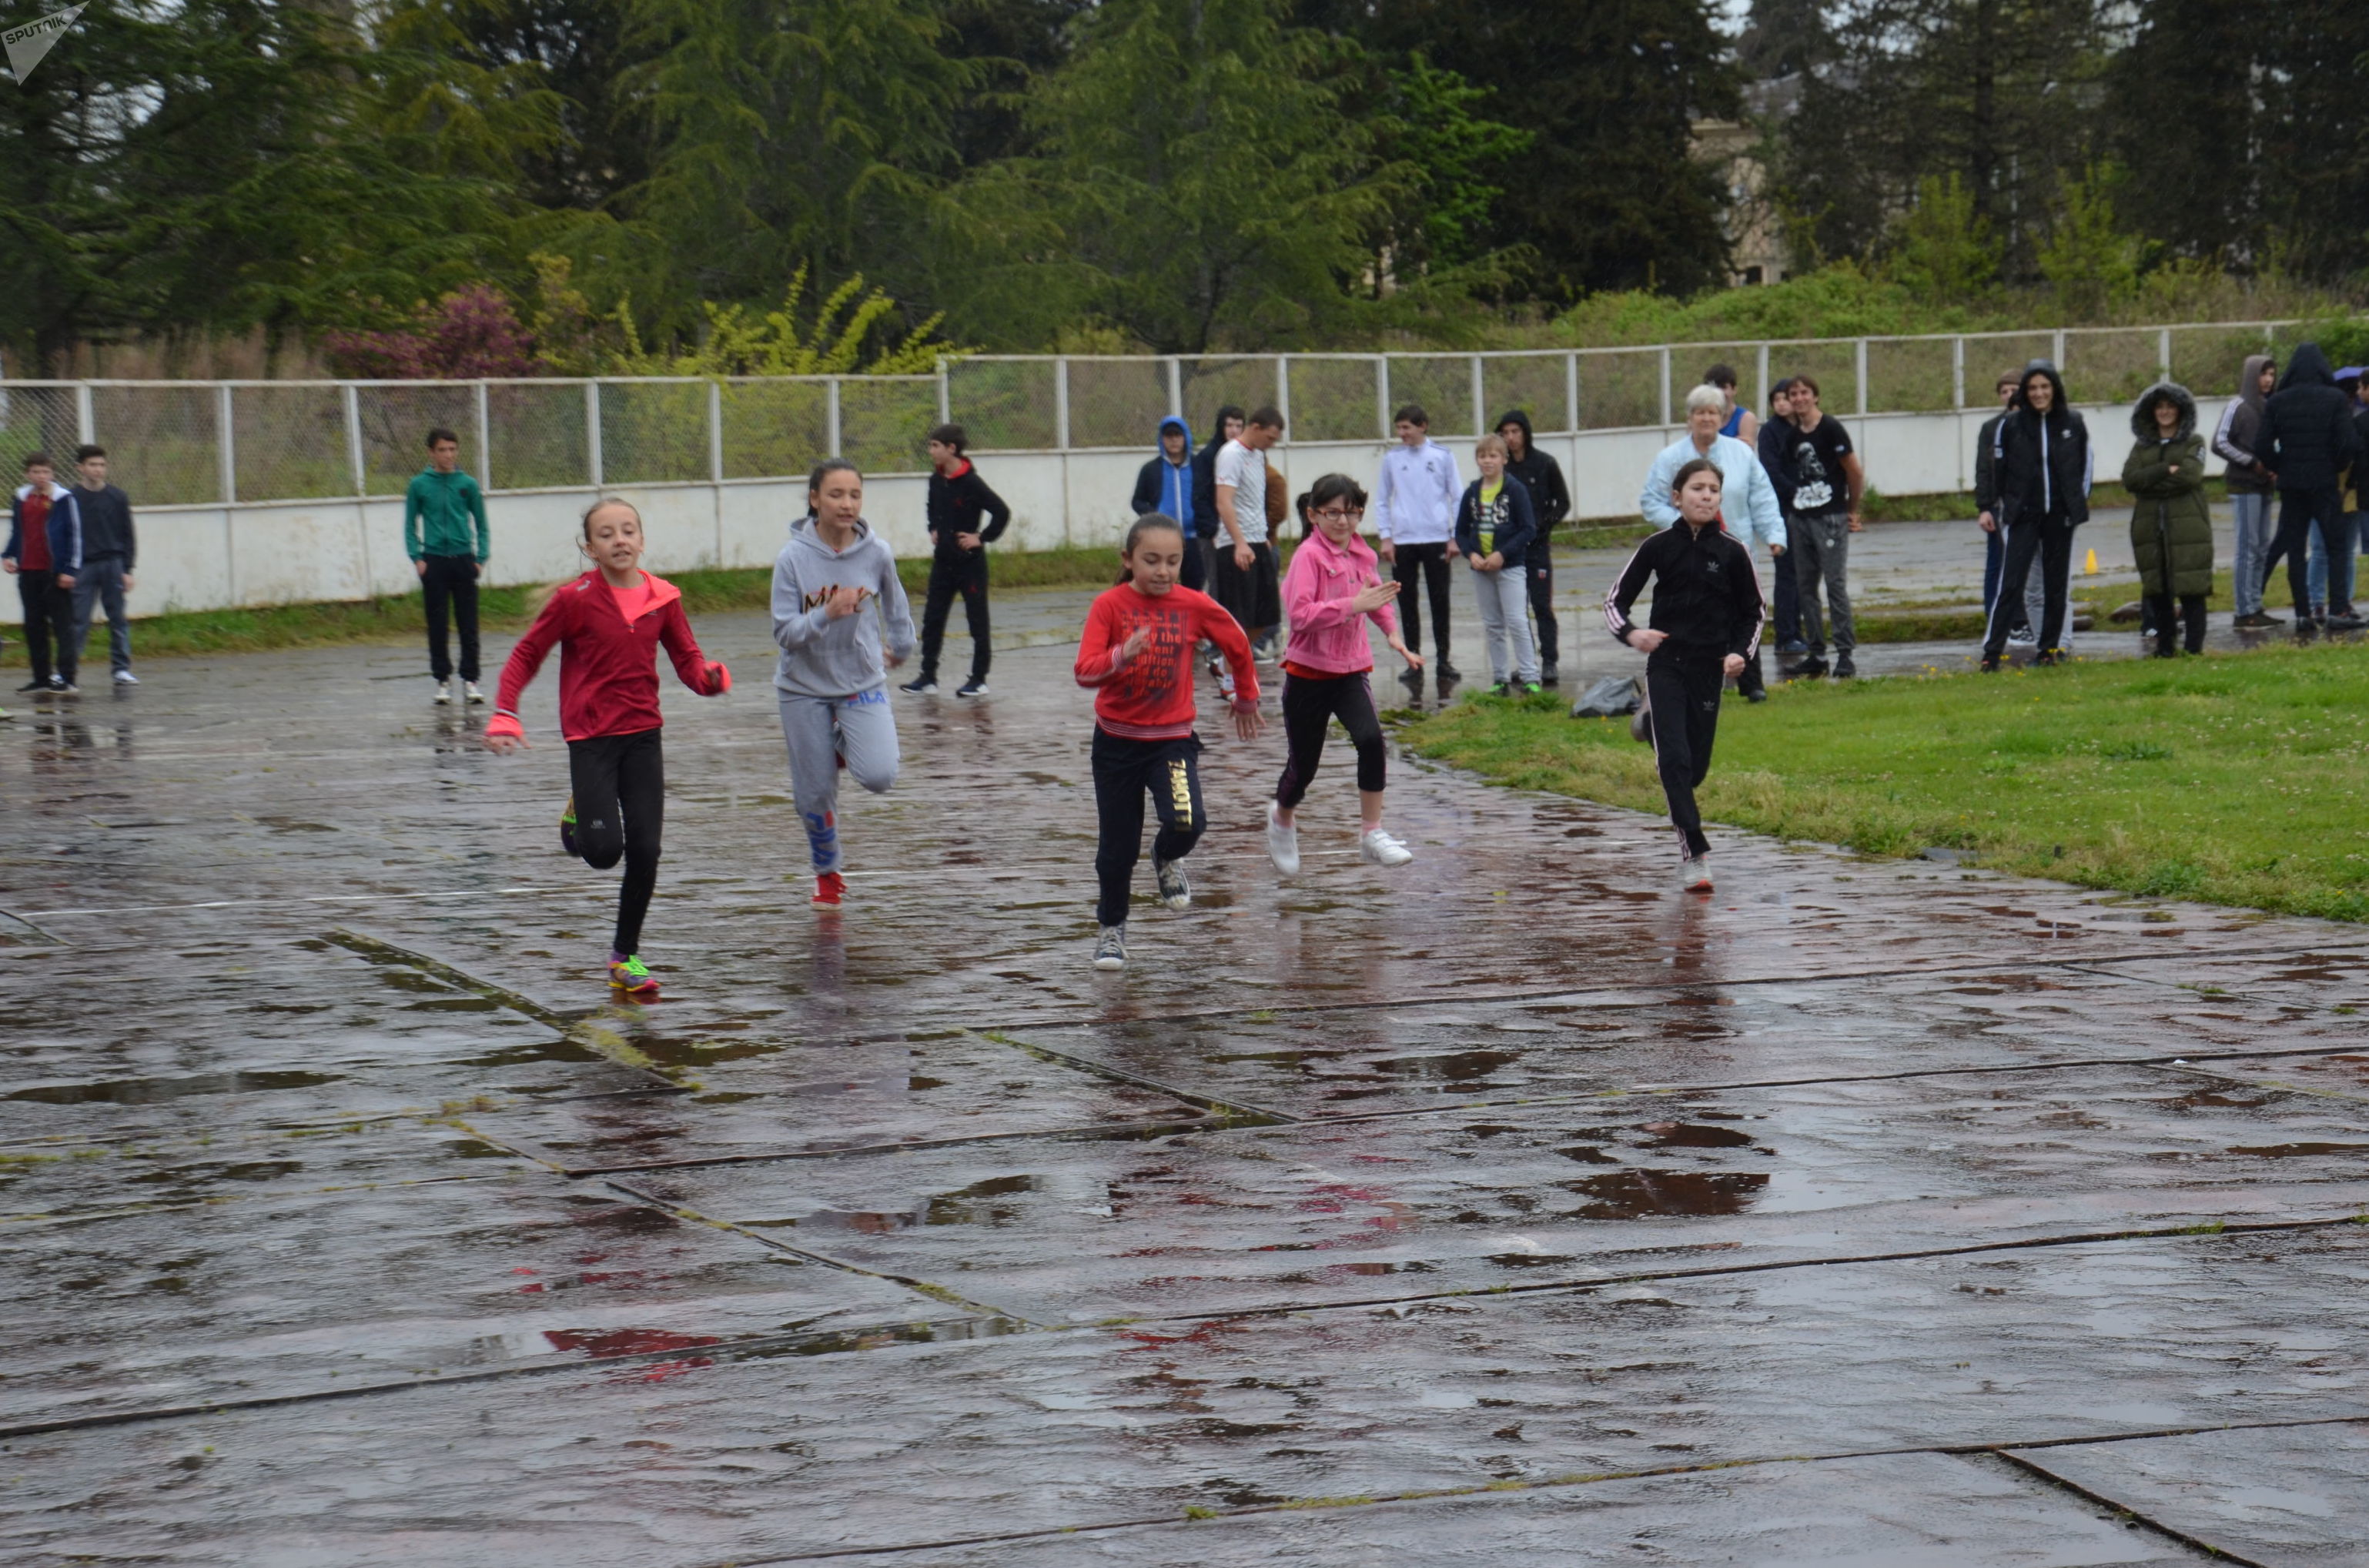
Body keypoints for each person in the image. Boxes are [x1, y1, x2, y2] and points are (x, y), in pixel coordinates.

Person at [483, 498, 731, 997]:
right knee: (603, 853)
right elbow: (527, 652)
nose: (619, 539)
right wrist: (505, 710)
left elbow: (686, 656)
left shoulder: (663, 597)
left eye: (628, 530)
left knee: (646, 849)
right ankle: (579, 811)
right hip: (591, 739)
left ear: (641, 540)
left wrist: (706, 680)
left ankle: (624, 955)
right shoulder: (573, 600)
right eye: (606, 533)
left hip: (643, 736)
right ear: (589, 547)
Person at [1073, 513, 1261, 971]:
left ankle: (1165, 855)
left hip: (1171, 742)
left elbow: (1237, 641)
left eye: (1173, 562)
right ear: (1128, 559)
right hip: (1116, 745)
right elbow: (1084, 671)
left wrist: (1246, 696)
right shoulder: (1110, 606)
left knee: (1187, 822)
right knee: (1116, 850)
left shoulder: (1193, 605)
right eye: (1151, 560)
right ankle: (1112, 931)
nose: (1162, 571)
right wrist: (1122, 655)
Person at [1604, 458, 1763, 894]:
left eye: (1714, 489)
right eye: (1697, 488)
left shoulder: (1733, 551)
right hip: (1666, 665)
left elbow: (1755, 613)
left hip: (1709, 668)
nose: (1706, 495)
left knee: (1693, 772)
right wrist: (1633, 634)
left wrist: (1738, 654)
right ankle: (1695, 854)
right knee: (1673, 762)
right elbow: (1614, 604)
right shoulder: (1657, 546)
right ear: (1677, 497)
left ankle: (1650, 723)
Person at [773, 459, 916, 908]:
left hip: (860, 679)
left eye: (854, 494)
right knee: (813, 795)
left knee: (879, 775)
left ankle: (839, 743)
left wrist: (902, 646)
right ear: (815, 499)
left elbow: (895, 606)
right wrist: (825, 614)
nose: (847, 504)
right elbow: (784, 633)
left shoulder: (877, 553)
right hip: (803, 687)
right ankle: (827, 872)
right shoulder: (792, 558)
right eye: (836, 494)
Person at [1266, 476, 1419, 876]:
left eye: (1351, 512)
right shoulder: (1308, 557)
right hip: (1307, 674)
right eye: (1333, 512)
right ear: (1313, 514)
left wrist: (1393, 635)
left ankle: (1372, 832)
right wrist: (1352, 605)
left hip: (1351, 671)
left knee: (1371, 739)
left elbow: (1376, 597)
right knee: (1304, 768)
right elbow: (1300, 616)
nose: (1343, 521)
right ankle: (1282, 818)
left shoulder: (1361, 554)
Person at [1640, 386, 1785, 700]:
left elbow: (1761, 496)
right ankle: (1696, 678)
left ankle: (1752, 682)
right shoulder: (1670, 458)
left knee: (1745, 609)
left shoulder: (1741, 454)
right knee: (1699, 612)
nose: (1706, 418)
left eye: (1713, 413)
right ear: (1689, 418)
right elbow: (1651, 501)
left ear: (1722, 418)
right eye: (1700, 412)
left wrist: (1774, 534)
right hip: (1686, 551)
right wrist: (1682, 525)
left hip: (1735, 547)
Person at [1980, 361, 2091, 670]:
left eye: (2045, 387)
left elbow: (2081, 466)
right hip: (2023, 517)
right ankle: (1991, 655)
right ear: (2026, 393)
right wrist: (2006, 507)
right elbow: (1998, 471)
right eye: (2033, 388)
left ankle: (2048, 652)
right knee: (2011, 583)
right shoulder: (2011, 426)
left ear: (2054, 388)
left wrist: (2074, 505)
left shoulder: (2074, 422)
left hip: (2059, 516)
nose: (2039, 393)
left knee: (2056, 586)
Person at [2259, 343, 2365, 635]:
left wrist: (2281, 465)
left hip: (2292, 485)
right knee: (2337, 545)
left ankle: (2303, 613)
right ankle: (2338, 609)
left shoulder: (2278, 401)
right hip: (2324, 483)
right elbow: (2349, 443)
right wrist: (2333, 464)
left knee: (2295, 548)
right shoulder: (2333, 399)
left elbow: (2262, 446)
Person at [902, 423, 1010, 697]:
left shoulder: (971, 482)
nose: (931, 451)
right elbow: (931, 507)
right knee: (932, 618)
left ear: (952, 448)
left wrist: (981, 537)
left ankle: (978, 679)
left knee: (977, 620)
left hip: (970, 564)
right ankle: (928, 677)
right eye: (930, 445)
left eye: (935, 446)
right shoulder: (935, 480)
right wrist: (933, 528)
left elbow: (1001, 511)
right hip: (943, 563)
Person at [1372, 404, 1462, 693]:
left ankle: (1444, 660)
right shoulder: (1392, 459)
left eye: (1406, 428)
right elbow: (1383, 499)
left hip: (1436, 537)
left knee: (1439, 600)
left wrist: (1455, 537)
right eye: (1398, 428)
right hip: (1403, 541)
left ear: (1422, 426)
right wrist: (1386, 536)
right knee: (1407, 602)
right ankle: (1413, 660)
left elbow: (1457, 497)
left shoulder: (1443, 456)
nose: (1402, 434)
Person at [1780, 376, 1862, 678]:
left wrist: (1850, 509)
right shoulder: (1792, 438)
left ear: (1815, 396)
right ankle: (1816, 651)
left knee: (1835, 584)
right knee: (1806, 587)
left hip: (1830, 517)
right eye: (1794, 394)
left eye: (1804, 393)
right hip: (1801, 518)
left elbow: (1854, 471)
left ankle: (1845, 653)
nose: (1799, 398)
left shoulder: (1831, 429)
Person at [2123, 383, 2213, 658]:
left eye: (2170, 406)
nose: (2164, 412)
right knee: (2158, 590)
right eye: (2160, 407)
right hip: (2151, 529)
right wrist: (2164, 469)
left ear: (2180, 410)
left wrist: (2151, 481)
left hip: (2188, 528)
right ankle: (2165, 648)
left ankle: (2193, 649)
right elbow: (2130, 479)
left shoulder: (2194, 442)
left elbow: (2190, 476)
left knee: (2191, 590)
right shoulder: (2142, 447)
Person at [404, 427, 490, 705]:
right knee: (437, 624)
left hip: (464, 560)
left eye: (452, 449)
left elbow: (482, 524)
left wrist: (480, 559)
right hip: (434, 562)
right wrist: (417, 557)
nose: (448, 455)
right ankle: (442, 680)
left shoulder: (468, 484)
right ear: (431, 452)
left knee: (469, 625)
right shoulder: (419, 485)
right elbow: (409, 525)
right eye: (442, 450)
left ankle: (470, 680)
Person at [1455, 433, 1541, 694]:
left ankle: (1530, 677)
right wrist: (1472, 555)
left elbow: (1528, 529)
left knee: (1516, 620)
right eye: (1482, 456)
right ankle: (1500, 678)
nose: (1487, 461)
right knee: (1493, 624)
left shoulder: (1515, 490)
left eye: (1493, 456)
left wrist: (1502, 554)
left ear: (1504, 459)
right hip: (1481, 570)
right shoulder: (1471, 492)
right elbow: (1460, 532)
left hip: (1511, 567)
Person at [1495, 410, 1571, 685]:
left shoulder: (1545, 464)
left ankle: (1550, 660)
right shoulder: (1503, 470)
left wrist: (1543, 527)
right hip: (1512, 549)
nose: (1511, 438)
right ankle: (1528, 664)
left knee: (1541, 604)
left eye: (1515, 432)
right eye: (1505, 433)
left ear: (1525, 433)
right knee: (1516, 610)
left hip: (1537, 548)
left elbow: (1562, 502)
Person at [4, 453, 82, 694]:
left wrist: (70, 569)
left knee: (62, 626)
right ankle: (41, 678)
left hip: (54, 572)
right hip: (28, 571)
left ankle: (67, 678)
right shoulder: (21, 497)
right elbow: (18, 530)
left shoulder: (63, 499)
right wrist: (8, 555)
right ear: (28, 473)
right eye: (36, 472)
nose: (41, 477)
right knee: (34, 626)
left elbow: (75, 535)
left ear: (53, 473)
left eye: (46, 472)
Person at [2213, 354, 2281, 630]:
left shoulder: (2271, 407)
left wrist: (2275, 465)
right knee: (2247, 547)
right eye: (2263, 374)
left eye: (2272, 375)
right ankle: (2243, 610)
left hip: (2266, 485)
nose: (2267, 380)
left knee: (2262, 547)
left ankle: (2256, 604)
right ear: (2251, 375)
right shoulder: (2237, 406)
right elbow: (2220, 442)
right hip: (2243, 485)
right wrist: (2252, 462)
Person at [1213, 406, 1285, 659]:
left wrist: (1262, 536)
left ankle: (1237, 662)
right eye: (1269, 438)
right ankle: (1231, 675)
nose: (1272, 444)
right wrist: (1240, 543)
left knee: (1265, 616)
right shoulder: (1231, 454)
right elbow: (1224, 501)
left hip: (1257, 541)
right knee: (1239, 617)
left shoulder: (1258, 455)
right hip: (1235, 545)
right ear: (1255, 428)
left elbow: (1254, 500)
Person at [1972, 369, 2039, 647]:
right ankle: (1997, 620)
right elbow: (1984, 470)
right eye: (2004, 391)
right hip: (2001, 509)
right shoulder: (1992, 428)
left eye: (2014, 389)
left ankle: (2028, 621)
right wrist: (1985, 507)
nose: (2010, 395)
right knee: (1998, 565)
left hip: (2031, 507)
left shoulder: (2036, 424)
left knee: (2032, 569)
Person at [67, 445, 139, 688]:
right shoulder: (71, 498)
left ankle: (121, 669)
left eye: (101, 465)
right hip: (83, 567)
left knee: (117, 618)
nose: (98, 470)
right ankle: (68, 671)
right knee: (77, 620)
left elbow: (127, 534)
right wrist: (66, 569)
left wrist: (127, 569)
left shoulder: (117, 497)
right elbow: (65, 535)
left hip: (113, 564)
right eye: (92, 465)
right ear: (80, 468)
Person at [2307, 367, 2367, 618]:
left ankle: (2344, 600)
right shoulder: (2320, 423)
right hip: (2325, 491)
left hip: (2350, 494)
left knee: (2346, 549)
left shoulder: (2357, 424)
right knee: (2321, 548)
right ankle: (2317, 601)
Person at [1757, 379, 1805, 654]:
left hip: (1809, 511)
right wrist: (1798, 492)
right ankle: (1785, 637)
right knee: (1787, 573)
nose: (1781, 403)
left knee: (1805, 575)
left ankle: (1800, 632)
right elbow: (1771, 472)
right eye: (1776, 400)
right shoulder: (1770, 432)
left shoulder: (1805, 427)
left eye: (1785, 398)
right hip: (1783, 510)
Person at [1132, 415, 1200, 589]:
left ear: (1186, 437)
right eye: (1169, 436)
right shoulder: (1151, 469)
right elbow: (1137, 501)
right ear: (1162, 439)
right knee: (1164, 584)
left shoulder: (1199, 466)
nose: (1174, 440)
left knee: (1194, 588)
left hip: (1194, 538)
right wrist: (1155, 515)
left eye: (1178, 435)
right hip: (1163, 540)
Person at [1189, 406, 1244, 598]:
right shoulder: (1207, 457)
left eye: (1238, 425)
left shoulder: (1244, 455)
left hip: (1239, 530)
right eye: (1229, 425)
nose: (1234, 430)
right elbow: (1199, 497)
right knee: (1218, 584)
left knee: (1239, 585)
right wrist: (1212, 529)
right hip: (1212, 533)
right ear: (1221, 426)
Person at [1705, 363, 1758, 446]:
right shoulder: (1701, 417)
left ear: (1734, 390)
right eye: (1714, 388)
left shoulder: (1746, 418)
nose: (1719, 392)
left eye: (1723, 387)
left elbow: (1744, 452)